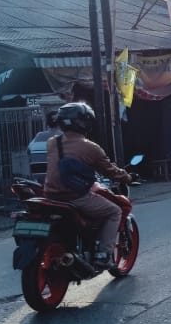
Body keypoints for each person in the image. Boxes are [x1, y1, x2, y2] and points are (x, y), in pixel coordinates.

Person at [43, 102, 132, 265]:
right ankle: (104, 254)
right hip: (75, 198)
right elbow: (109, 171)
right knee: (114, 211)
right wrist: (126, 177)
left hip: (50, 196)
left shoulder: (51, 143)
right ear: (84, 123)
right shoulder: (91, 148)